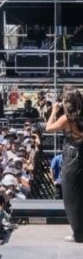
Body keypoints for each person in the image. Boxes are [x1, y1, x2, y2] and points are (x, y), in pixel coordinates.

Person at [46, 89, 83, 242]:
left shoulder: (67, 119)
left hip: (73, 158)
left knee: (72, 196)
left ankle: (78, 233)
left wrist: (53, 112)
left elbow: (48, 128)